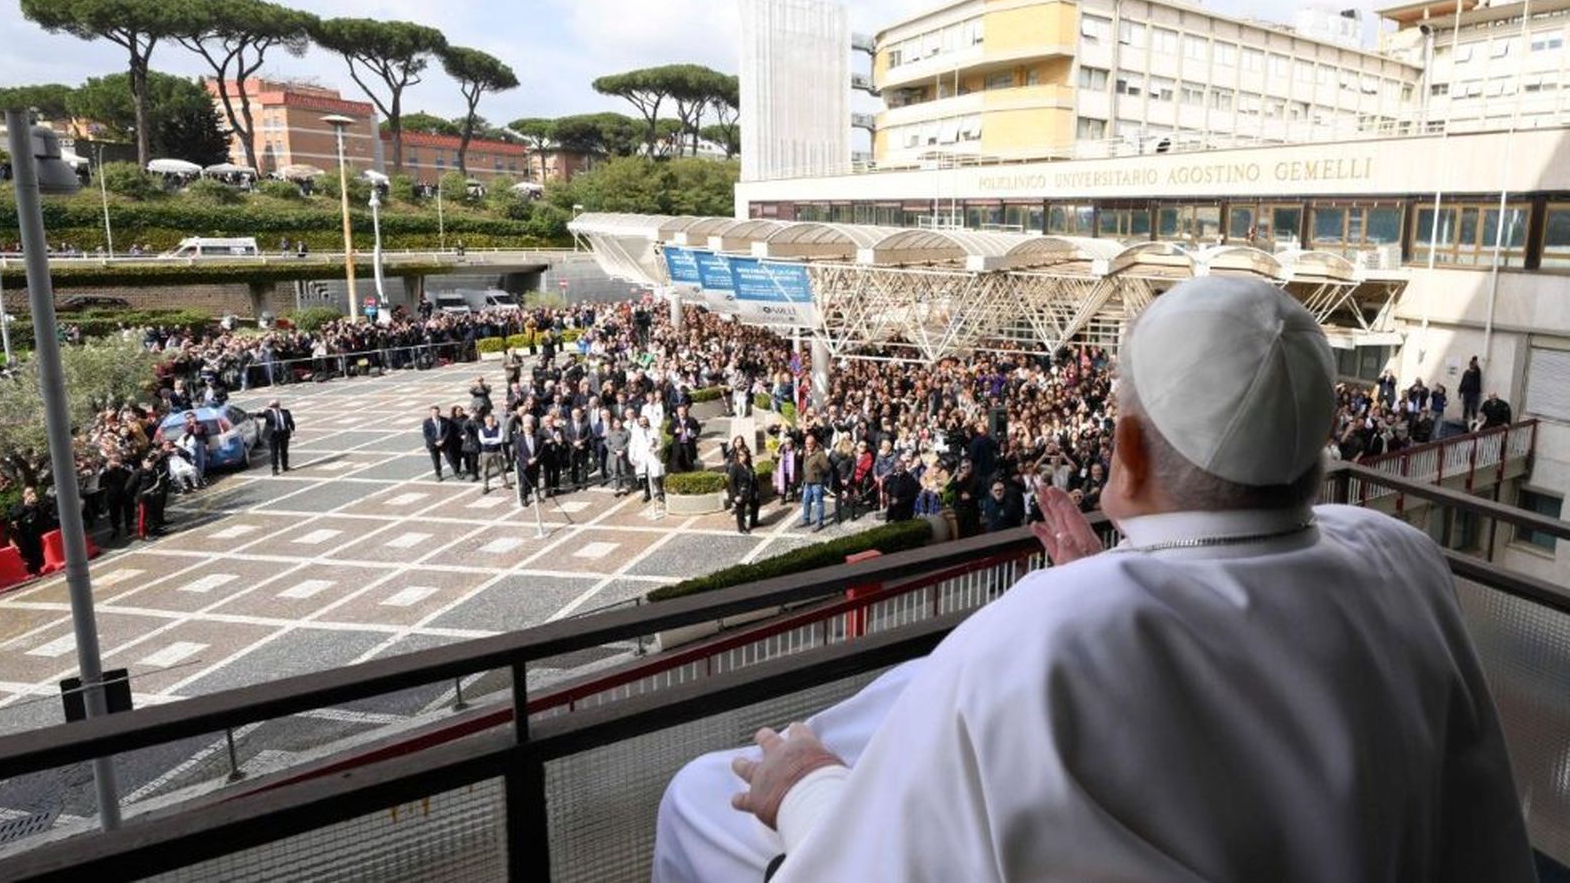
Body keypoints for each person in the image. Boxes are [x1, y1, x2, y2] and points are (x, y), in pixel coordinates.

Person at [653, 276, 1534, 882]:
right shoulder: (1399, 553)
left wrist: (807, 785)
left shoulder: (1036, 635)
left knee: (696, 798)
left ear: (1130, 450)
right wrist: (1109, 579)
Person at [7, 487, 55, 575]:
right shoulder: (18, 506)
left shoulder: (40, 503)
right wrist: (26, 506)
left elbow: (46, 510)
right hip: (26, 534)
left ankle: (43, 565)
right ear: (24, 495)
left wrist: (35, 505)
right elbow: (13, 516)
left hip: (41, 530)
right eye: (28, 493)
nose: (32, 494)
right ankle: (34, 568)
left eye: (33, 492)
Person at [512, 414, 545, 507]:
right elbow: (518, 452)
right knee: (524, 482)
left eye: (529, 427)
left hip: (535, 463)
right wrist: (527, 460)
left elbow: (540, 449)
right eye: (526, 428)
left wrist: (536, 458)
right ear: (523, 429)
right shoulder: (519, 439)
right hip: (524, 464)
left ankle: (537, 496)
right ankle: (524, 498)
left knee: (535, 481)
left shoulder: (537, 438)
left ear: (532, 428)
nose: (528, 429)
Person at [800, 435, 829, 530]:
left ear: (814, 444)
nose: (808, 445)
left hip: (817, 482)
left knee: (818, 503)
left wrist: (818, 472)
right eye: (806, 443)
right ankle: (806, 520)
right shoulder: (806, 453)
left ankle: (820, 523)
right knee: (805, 501)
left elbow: (827, 468)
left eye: (810, 443)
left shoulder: (820, 454)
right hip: (807, 482)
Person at [728, 449, 757, 534]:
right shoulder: (735, 466)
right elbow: (732, 482)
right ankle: (741, 528)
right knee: (740, 511)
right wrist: (735, 495)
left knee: (755, 506)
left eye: (744, 455)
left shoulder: (748, 465)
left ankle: (753, 522)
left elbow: (753, 478)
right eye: (740, 455)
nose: (742, 457)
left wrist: (756, 490)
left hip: (750, 490)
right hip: (740, 492)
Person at [262, 399, 295, 475]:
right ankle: (275, 469)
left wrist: (293, 430)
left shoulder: (285, 412)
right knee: (274, 452)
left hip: (283, 433)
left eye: (275, 405)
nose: (274, 408)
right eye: (272, 406)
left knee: (284, 451)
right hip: (273, 435)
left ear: (279, 405)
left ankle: (285, 466)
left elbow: (290, 421)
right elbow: (259, 415)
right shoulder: (268, 413)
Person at [478, 413, 507, 495]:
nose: (490, 422)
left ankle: (505, 483)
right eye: (488, 420)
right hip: (485, 452)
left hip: (497, 451)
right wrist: (494, 439)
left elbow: (500, 440)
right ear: (485, 421)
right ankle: (485, 486)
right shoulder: (481, 430)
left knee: (501, 468)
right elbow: (483, 441)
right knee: (485, 470)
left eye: (491, 420)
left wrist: (489, 440)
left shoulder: (499, 429)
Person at [422, 406, 452, 481]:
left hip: (444, 442)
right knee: (436, 461)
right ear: (431, 412)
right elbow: (426, 434)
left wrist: (443, 440)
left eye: (437, 412)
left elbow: (447, 431)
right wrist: (435, 442)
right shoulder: (427, 422)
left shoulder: (444, 420)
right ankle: (438, 475)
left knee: (450, 458)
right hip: (433, 444)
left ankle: (457, 472)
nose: (436, 413)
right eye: (434, 412)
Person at [605, 416, 633, 496]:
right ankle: (616, 488)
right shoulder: (610, 432)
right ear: (612, 424)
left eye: (619, 423)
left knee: (624, 471)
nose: (617, 424)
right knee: (614, 471)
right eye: (615, 423)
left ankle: (626, 487)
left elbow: (629, 442)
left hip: (623, 455)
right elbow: (607, 443)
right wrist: (615, 450)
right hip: (613, 455)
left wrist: (623, 450)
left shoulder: (626, 431)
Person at [1459, 355, 1483, 424]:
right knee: (1466, 407)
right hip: (1466, 392)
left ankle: (1474, 421)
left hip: (1474, 393)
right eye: (1471, 364)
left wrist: (1474, 360)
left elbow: (1477, 369)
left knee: (1473, 407)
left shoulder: (1477, 372)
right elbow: (1463, 381)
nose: (1471, 366)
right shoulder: (1466, 372)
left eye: (1473, 364)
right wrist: (1460, 391)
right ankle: (1464, 420)